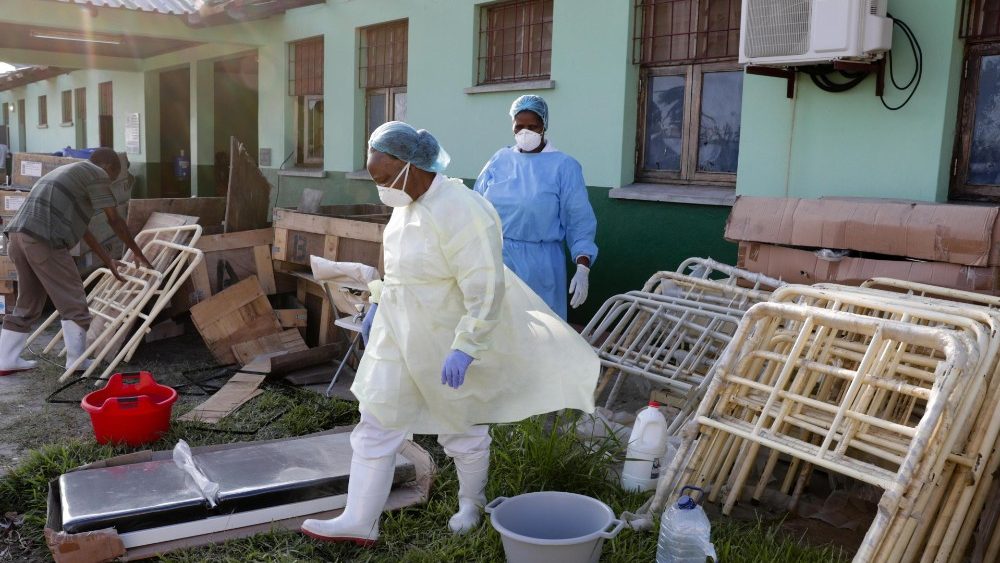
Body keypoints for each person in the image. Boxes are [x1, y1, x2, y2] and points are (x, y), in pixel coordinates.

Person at [300, 122, 599, 546]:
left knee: (461, 426)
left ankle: (471, 504)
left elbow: (485, 288)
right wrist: (381, 300)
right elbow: (408, 272)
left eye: (384, 179)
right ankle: (359, 519)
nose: (381, 189)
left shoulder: (463, 209)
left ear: (409, 166)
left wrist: (466, 347)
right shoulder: (406, 206)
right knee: (376, 420)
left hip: (445, 339)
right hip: (398, 335)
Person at [0, 148, 152, 376]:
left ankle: (6, 359)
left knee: (28, 302)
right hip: (44, 239)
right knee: (74, 300)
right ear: (109, 167)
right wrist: (138, 252)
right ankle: (77, 361)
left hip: (18, 237)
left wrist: (108, 259)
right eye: (114, 177)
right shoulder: (97, 174)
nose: (110, 183)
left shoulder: (70, 173)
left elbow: (83, 230)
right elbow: (115, 220)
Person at [474, 94, 598, 319]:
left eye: (533, 126)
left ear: (544, 126)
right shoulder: (499, 160)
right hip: (498, 260)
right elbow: (476, 208)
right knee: (499, 329)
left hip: (541, 266)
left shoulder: (564, 167)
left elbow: (579, 221)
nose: (525, 132)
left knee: (540, 332)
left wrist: (583, 267)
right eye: (519, 126)